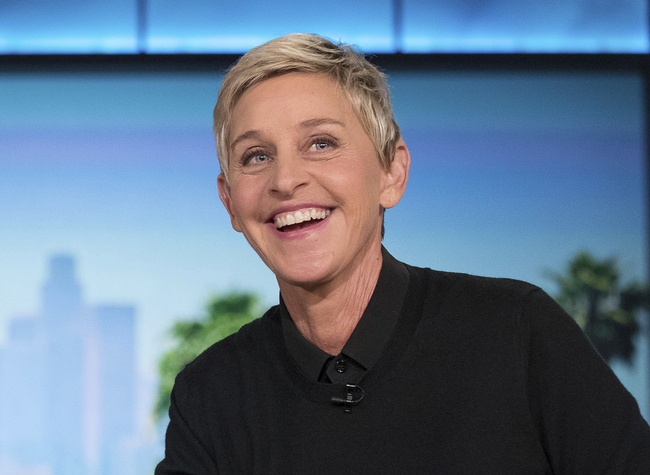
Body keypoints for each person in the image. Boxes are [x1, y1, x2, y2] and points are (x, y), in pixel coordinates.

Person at [156, 33, 650, 474]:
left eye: (321, 143)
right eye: (256, 156)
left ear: (391, 174)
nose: (285, 181)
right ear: (229, 202)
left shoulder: (519, 332)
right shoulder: (210, 395)